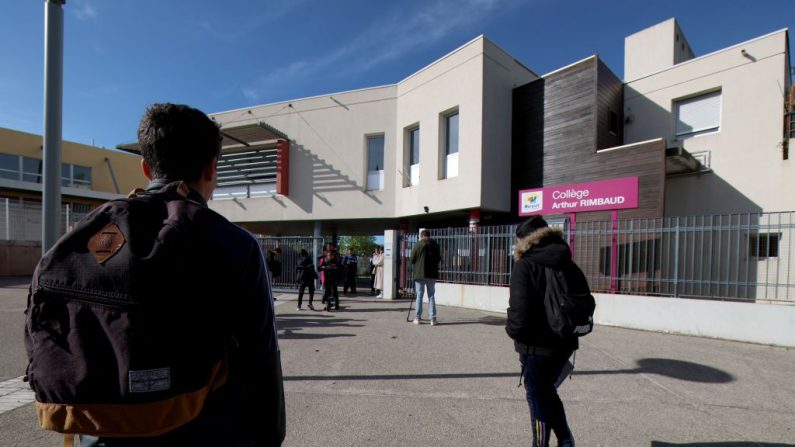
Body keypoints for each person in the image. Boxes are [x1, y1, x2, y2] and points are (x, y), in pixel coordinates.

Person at [76, 104, 286, 446]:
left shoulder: (105, 237)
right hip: (205, 430)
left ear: (146, 167)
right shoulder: (235, 245)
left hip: (105, 431)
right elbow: (260, 359)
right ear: (211, 168)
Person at [506, 216, 584, 447]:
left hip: (535, 346)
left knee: (537, 397)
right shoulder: (567, 261)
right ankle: (566, 440)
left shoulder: (525, 265)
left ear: (525, 240)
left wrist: (513, 331)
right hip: (565, 342)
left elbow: (518, 312)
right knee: (547, 392)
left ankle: (540, 444)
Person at [410, 230, 441, 325]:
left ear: (421, 236)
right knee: (431, 295)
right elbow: (438, 259)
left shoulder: (417, 245)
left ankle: (417, 318)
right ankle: (433, 319)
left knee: (419, 295)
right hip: (431, 274)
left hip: (419, 274)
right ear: (429, 236)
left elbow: (412, 259)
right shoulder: (435, 245)